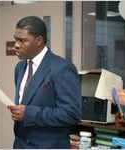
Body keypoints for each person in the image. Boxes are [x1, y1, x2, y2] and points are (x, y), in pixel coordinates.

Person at [7, 16, 82, 149]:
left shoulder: (62, 68)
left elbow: (71, 113)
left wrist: (29, 113)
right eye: (15, 39)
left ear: (39, 41)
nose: (16, 45)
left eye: (23, 40)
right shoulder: (19, 68)